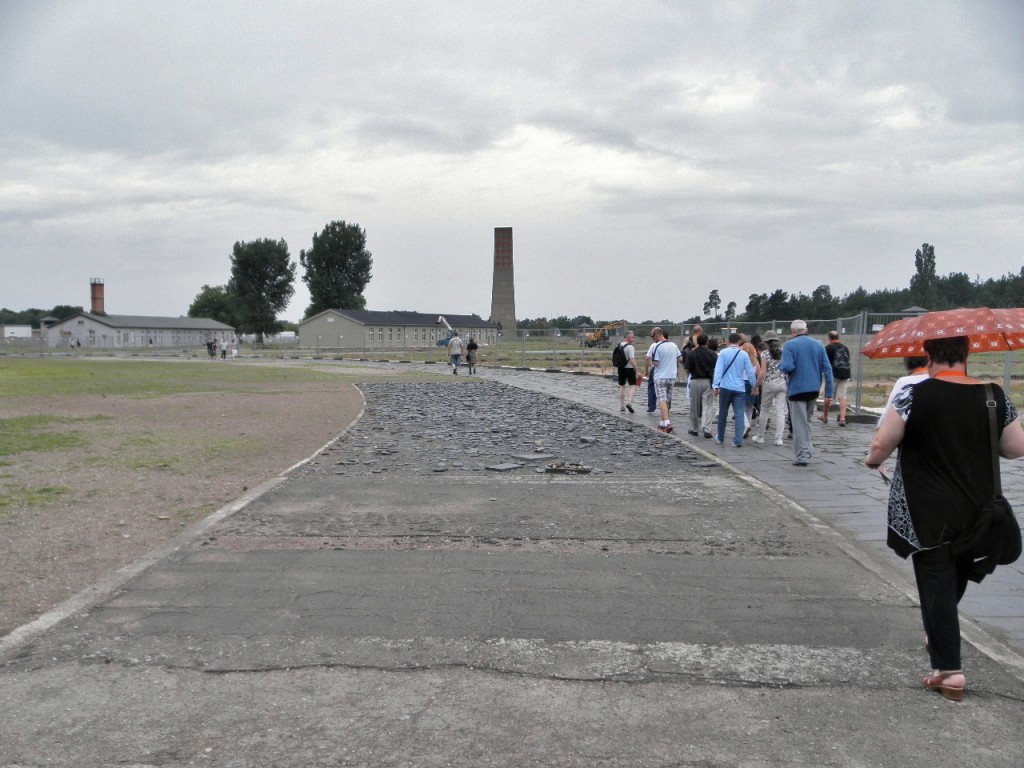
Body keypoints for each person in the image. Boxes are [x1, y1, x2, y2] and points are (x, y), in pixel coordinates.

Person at [865, 336, 1024, 701]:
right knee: (958, 569)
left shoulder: (914, 393)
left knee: (935, 574)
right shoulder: (992, 394)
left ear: (929, 355)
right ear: (967, 355)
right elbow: (1016, 447)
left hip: (927, 506)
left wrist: (873, 459)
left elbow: (882, 444)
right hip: (978, 506)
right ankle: (939, 632)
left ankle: (949, 670)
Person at [780, 320, 834, 466]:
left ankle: (802, 455)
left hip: (797, 389)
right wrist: (829, 391)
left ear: (793, 331)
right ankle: (808, 448)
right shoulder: (818, 344)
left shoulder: (789, 345)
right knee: (808, 421)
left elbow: (787, 366)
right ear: (805, 329)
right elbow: (827, 369)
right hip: (813, 389)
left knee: (798, 424)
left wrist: (781, 366)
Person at [712, 332, 756, 447]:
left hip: (725, 387)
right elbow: (750, 372)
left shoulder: (723, 353)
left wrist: (715, 385)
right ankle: (737, 440)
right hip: (739, 388)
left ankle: (720, 437)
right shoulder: (744, 355)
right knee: (739, 413)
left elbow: (718, 370)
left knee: (723, 413)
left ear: (728, 341)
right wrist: (754, 386)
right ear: (739, 342)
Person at [751, 338, 787, 446]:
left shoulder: (765, 354)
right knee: (780, 411)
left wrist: (756, 386)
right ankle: (778, 438)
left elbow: (762, 373)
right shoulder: (783, 352)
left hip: (769, 384)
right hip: (782, 383)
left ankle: (760, 436)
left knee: (765, 410)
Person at [646, 327, 681, 433]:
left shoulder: (657, 346)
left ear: (657, 334)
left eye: (652, 337)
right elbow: (680, 359)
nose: (653, 339)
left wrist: (652, 363)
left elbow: (655, 363)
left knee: (661, 399)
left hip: (661, 376)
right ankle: (662, 424)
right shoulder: (673, 345)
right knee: (667, 400)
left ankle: (667, 422)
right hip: (672, 376)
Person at [684, 334, 717, 437]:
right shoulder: (712, 354)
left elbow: (686, 369)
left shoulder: (692, 354)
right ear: (707, 342)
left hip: (695, 380)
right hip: (708, 381)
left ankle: (694, 428)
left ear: (697, 342)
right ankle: (707, 429)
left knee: (694, 406)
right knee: (708, 405)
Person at [879, 356, 928, 422]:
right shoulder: (936, 379)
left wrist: (879, 427)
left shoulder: (903, 381)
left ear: (907, 362)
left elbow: (889, 409)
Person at [820, 330, 852, 425]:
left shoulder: (828, 348)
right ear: (838, 337)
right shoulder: (845, 347)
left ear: (829, 338)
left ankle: (825, 417)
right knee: (842, 396)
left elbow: (824, 362)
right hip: (845, 374)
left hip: (833, 374)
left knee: (828, 396)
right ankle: (842, 419)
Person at [614, 331, 639, 413]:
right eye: (632, 337)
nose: (633, 339)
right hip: (630, 368)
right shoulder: (630, 347)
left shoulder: (619, 345)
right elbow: (632, 359)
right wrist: (637, 371)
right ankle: (629, 403)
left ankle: (622, 406)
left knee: (622, 386)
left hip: (620, 368)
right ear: (628, 338)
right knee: (633, 385)